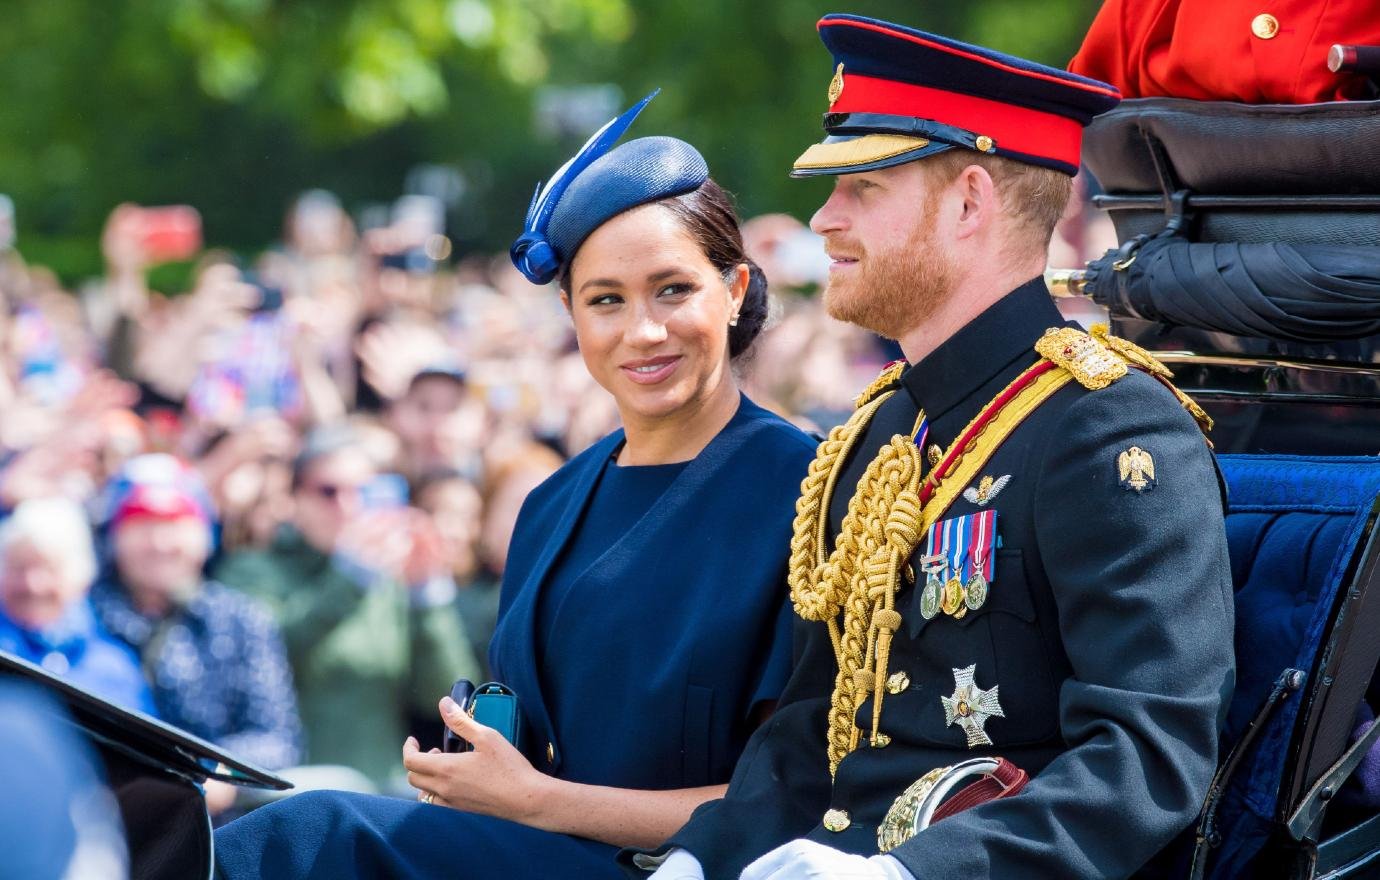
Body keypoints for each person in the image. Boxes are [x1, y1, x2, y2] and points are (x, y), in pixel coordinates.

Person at [634, 15, 1234, 880]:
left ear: (969, 203)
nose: (824, 219)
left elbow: (1145, 759)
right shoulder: (883, 429)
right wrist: (699, 858)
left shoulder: (1110, 427)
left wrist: (910, 874)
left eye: (863, 188)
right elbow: (810, 732)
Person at [212, 92, 818, 879]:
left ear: (733, 291)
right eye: (606, 300)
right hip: (532, 853)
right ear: (570, 313)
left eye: (673, 289)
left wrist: (536, 801)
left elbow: (789, 802)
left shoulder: (806, 492)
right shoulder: (551, 505)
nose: (643, 330)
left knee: (316, 835)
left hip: (685, 869)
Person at [213, 426, 480, 791]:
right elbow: (265, 657)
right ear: (293, 498)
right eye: (328, 491)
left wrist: (427, 595)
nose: (348, 506)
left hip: (381, 795)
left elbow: (447, 698)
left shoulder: (386, 581)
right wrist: (347, 580)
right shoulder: (251, 569)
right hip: (289, 796)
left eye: (363, 492)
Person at [89, 453, 301, 817]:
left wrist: (209, 774)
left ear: (204, 533)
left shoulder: (241, 620)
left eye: (175, 522)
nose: (160, 542)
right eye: (141, 523)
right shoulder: (80, 617)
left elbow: (278, 738)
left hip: (215, 819)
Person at [0, 497, 155, 715]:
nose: (33, 585)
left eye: (49, 569)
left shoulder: (114, 669)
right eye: (19, 568)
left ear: (80, 577)